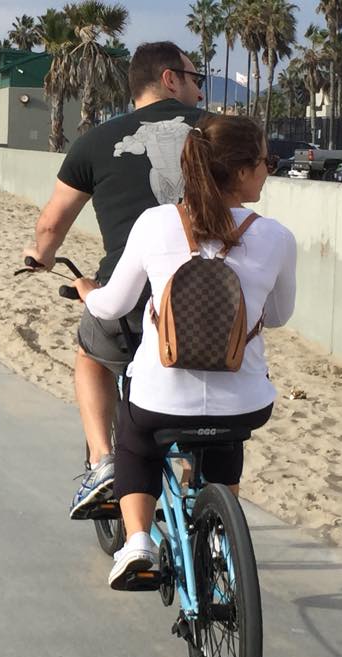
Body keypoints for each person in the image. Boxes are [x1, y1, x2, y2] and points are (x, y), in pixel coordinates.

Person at [72, 115, 295, 588]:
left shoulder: (155, 224)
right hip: (247, 405)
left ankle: (136, 544)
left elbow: (114, 305)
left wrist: (88, 291)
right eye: (264, 162)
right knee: (225, 436)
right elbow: (277, 317)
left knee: (135, 440)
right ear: (239, 172)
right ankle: (218, 542)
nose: (268, 170)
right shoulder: (276, 237)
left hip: (161, 404)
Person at [23, 41, 206, 520]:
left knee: (90, 353)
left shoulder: (95, 141)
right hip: (211, 299)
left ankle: (104, 460)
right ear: (170, 79)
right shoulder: (218, 133)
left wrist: (40, 257)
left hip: (132, 307)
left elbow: (51, 224)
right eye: (196, 79)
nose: (201, 93)